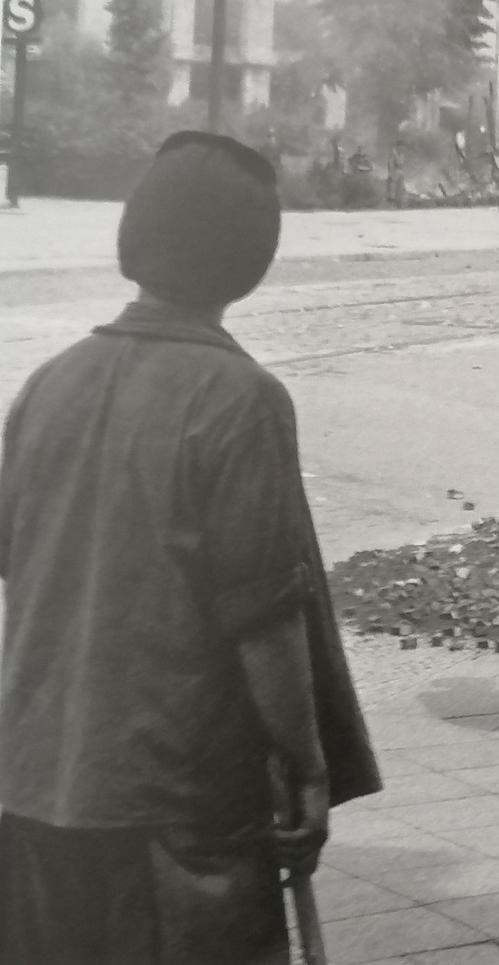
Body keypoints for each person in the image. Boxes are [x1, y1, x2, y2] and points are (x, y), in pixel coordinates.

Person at [0, 131, 381, 965]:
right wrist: (307, 765)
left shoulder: (47, 383)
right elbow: (263, 617)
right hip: (175, 804)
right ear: (251, 259)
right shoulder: (242, 397)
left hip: (32, 789)